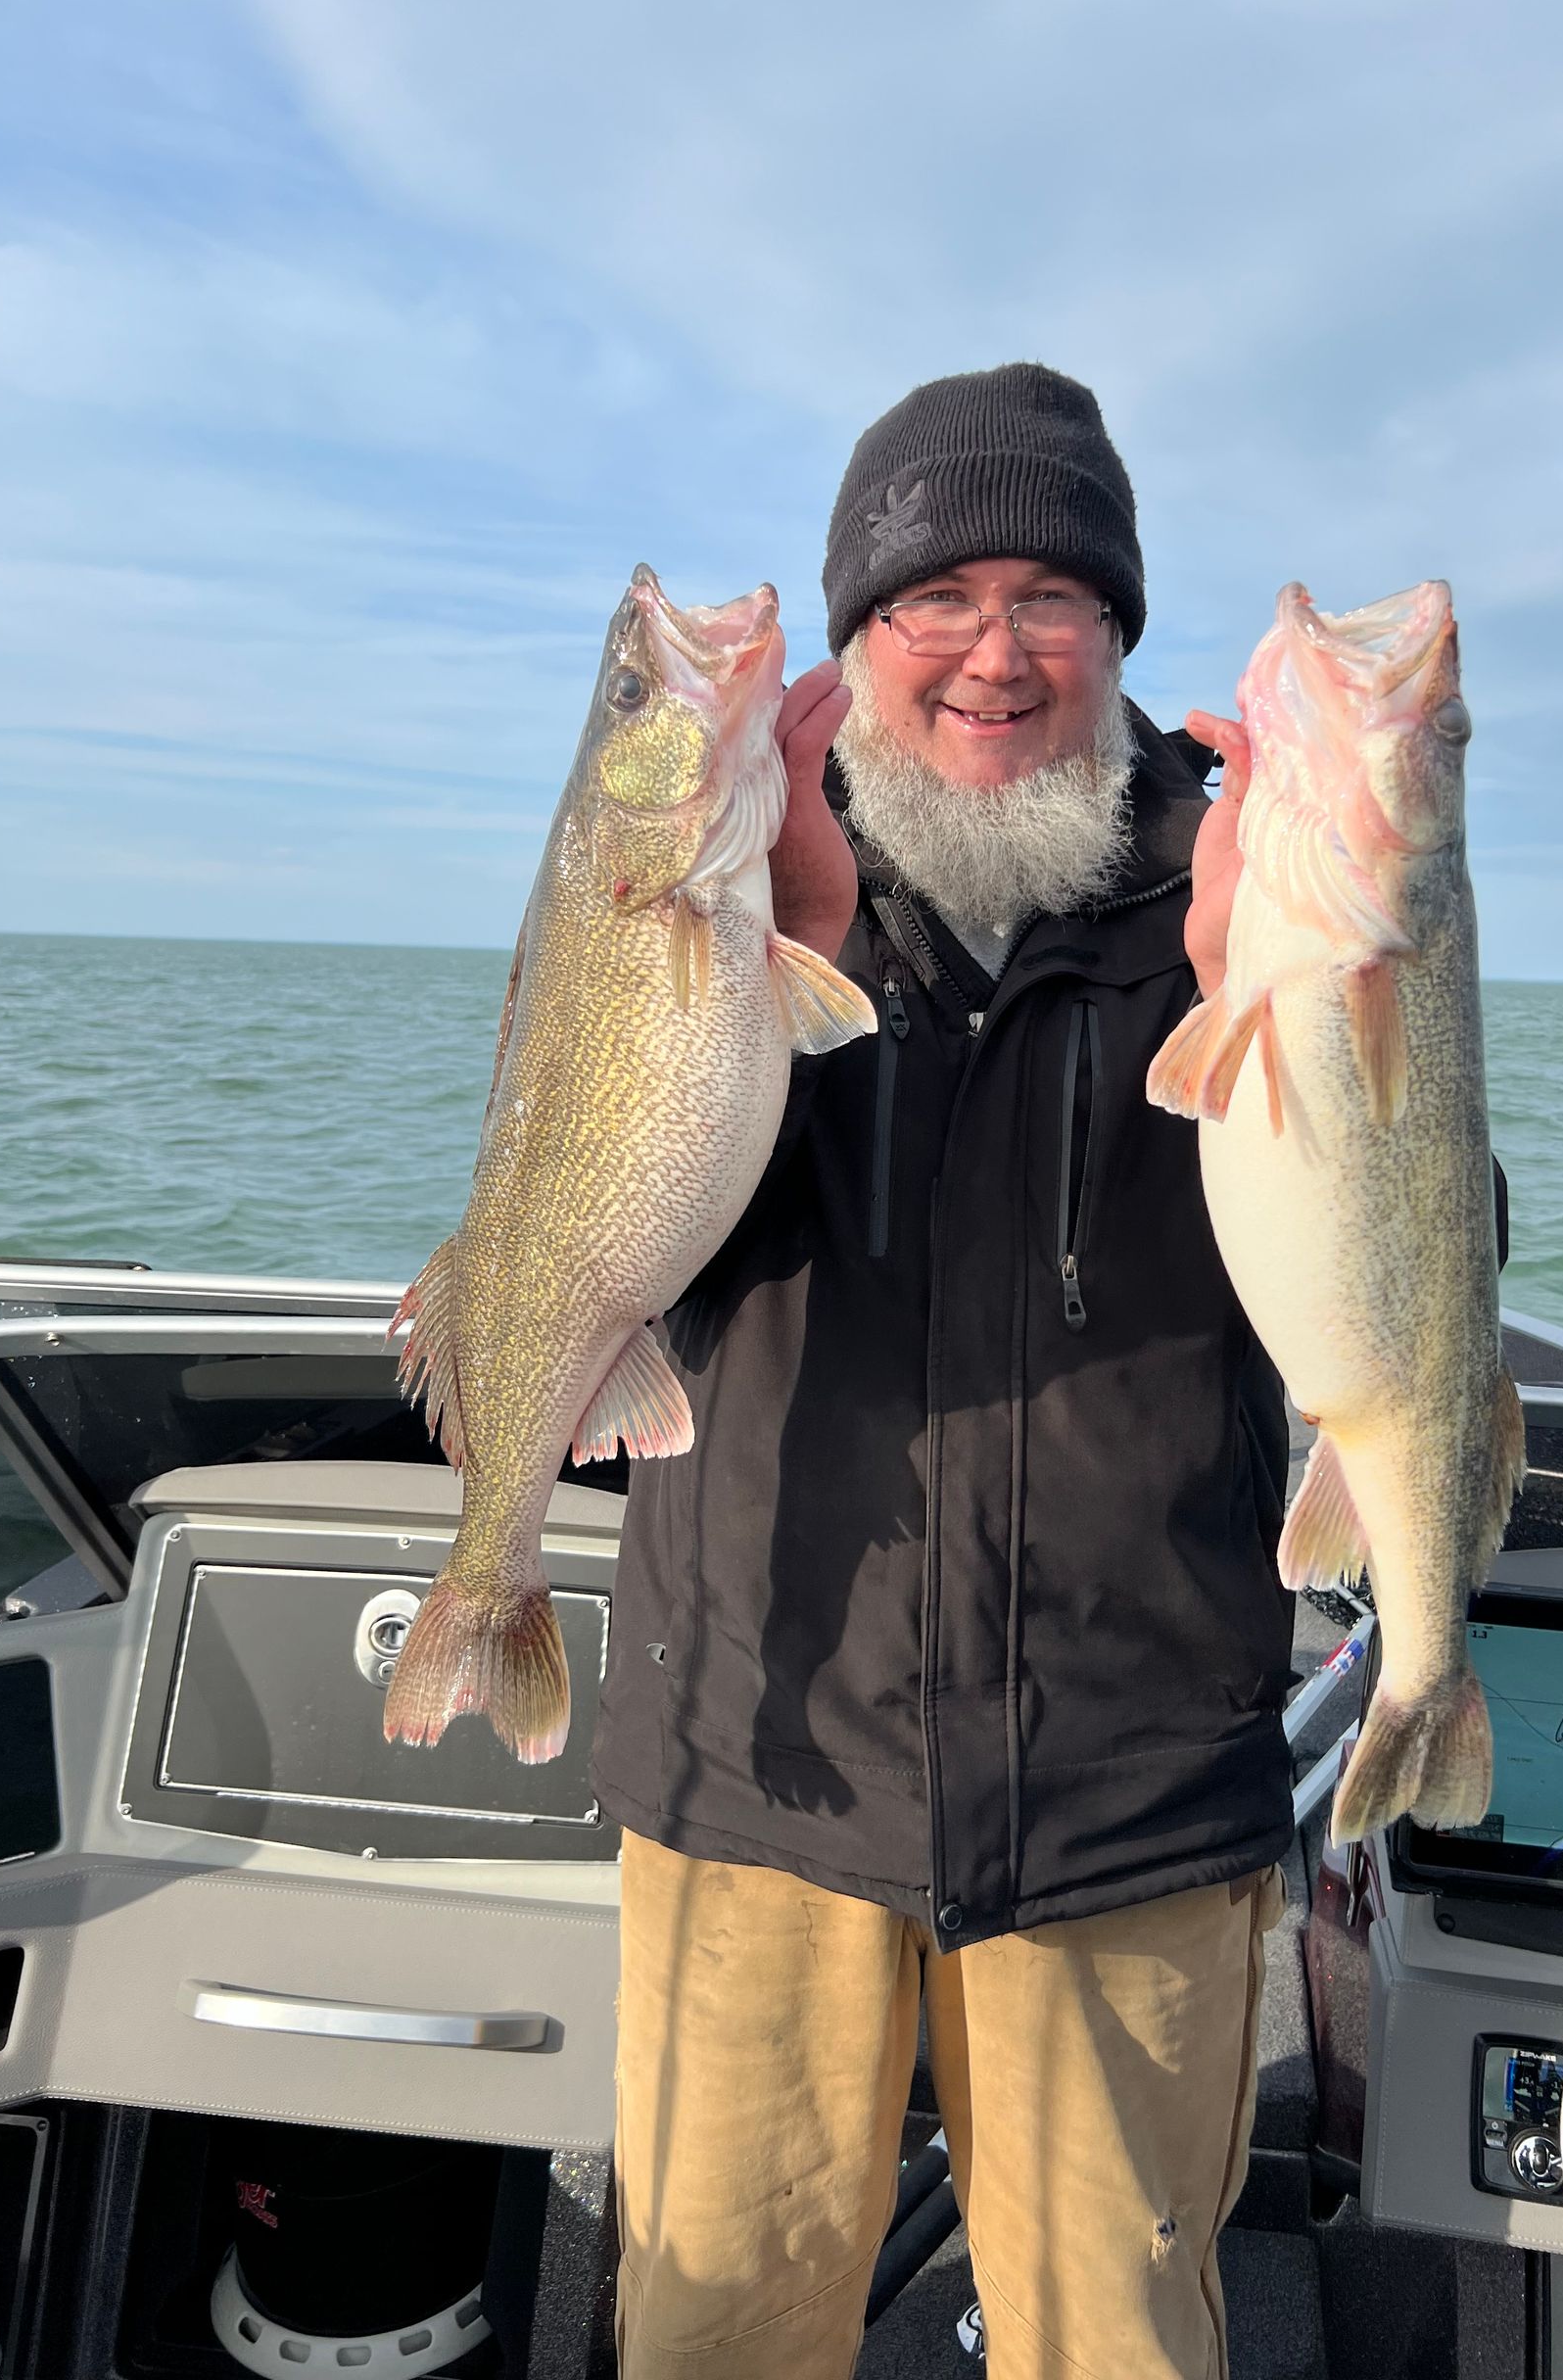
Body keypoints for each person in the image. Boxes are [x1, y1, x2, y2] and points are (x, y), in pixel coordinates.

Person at [593, 362, 1297, 2380]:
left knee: (1126, 2348)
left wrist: (1291, 996)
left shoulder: (1256, 882)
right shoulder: (710, 880)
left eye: (1055, 596)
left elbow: (1408, 1279)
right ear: (853, 636)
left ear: (1119, 633)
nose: (996, 651)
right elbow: (629, 1260)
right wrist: (774, 957)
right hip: (758, 1761)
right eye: (934, 597)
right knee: (712, 2331)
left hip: (1126, 1798)